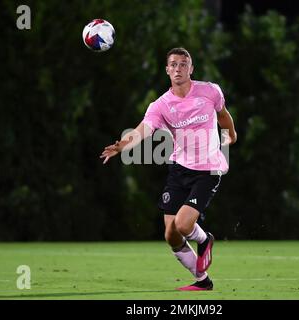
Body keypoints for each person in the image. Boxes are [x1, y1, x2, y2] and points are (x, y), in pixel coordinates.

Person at [100, 47, 237, 291]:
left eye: (183, 64)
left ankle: (205, 240)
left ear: (191, 69)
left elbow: (224, 116)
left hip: (208, 170)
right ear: (167, 70)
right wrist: (122, 146)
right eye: (173, 64)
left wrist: (231, 135)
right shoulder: (160, 105)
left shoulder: (209, 91)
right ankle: (203, 282)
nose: (178, 68)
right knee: (171, 235)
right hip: (179, 169)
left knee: (184, 226)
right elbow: (143, 130)